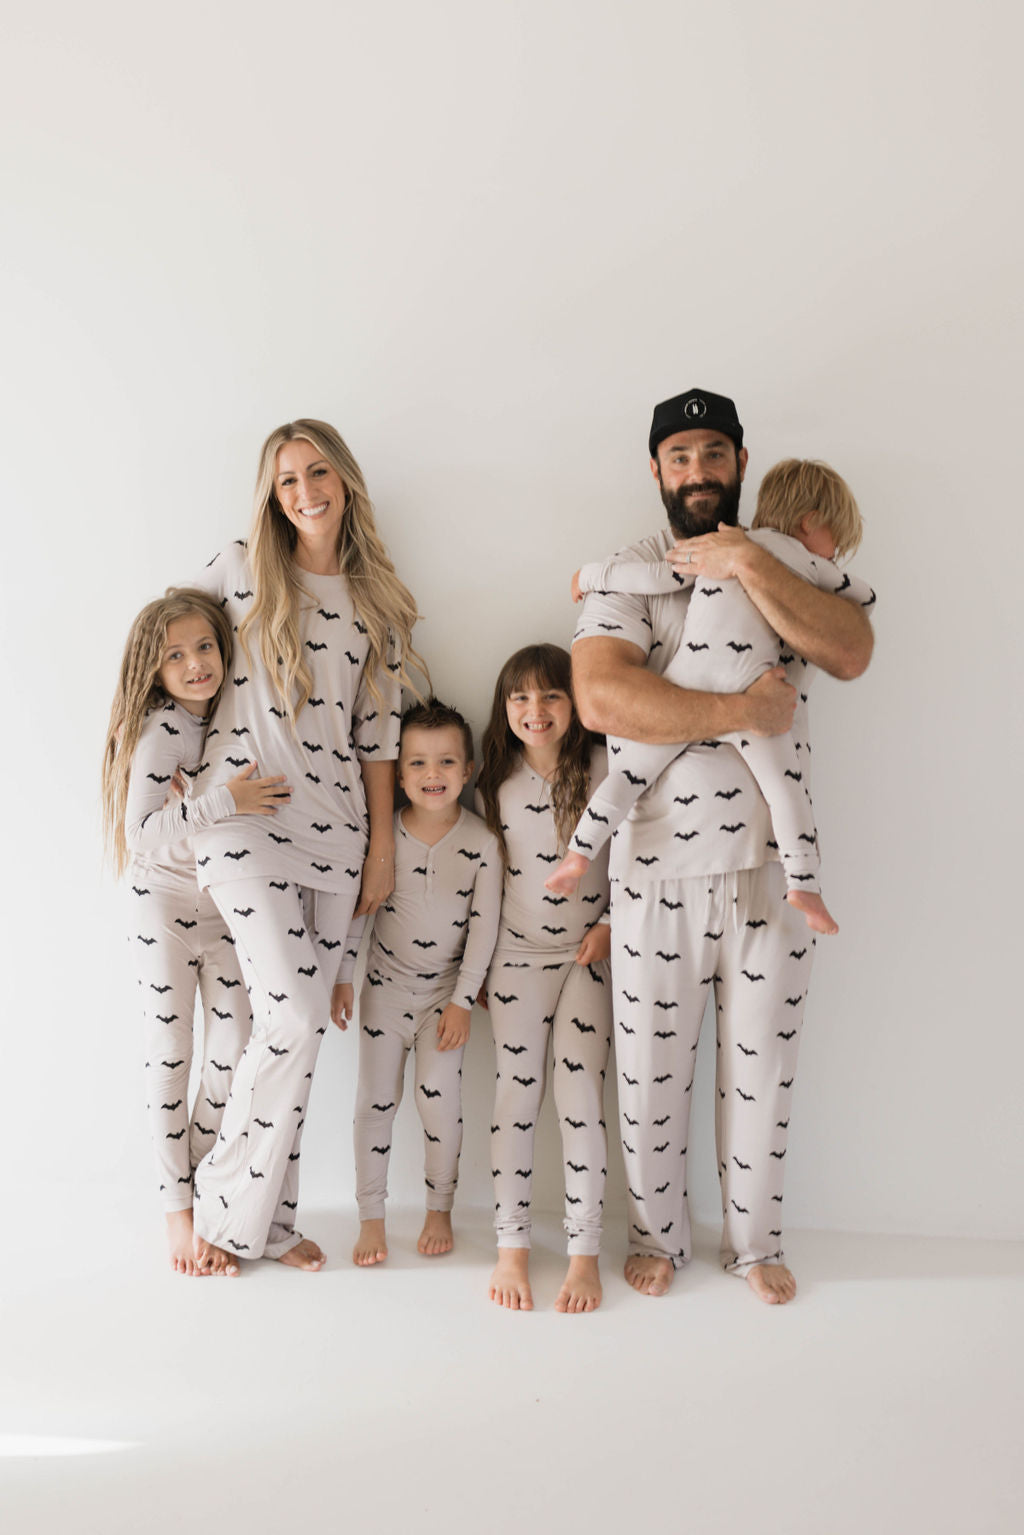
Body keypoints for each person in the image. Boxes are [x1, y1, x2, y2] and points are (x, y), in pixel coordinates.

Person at [572, 389, 874, 1305]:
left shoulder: (780, 564)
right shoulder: (637, 569)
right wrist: (743, 711)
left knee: (763, 1072)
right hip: (656, 873)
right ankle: (657, 1239)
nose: (697, 471)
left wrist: (749, 557)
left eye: (713, 453)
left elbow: (852, 646)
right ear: (658, 472)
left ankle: (755, 1245)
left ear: (740, 463)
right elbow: (604, 701)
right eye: (680, 456)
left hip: (769, 873)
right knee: (649, 1075)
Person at [188, 419, 425, 1274]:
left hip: (338, 837)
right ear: (271, 494)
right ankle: (218, 1208)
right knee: (285, 1012)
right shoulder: (242, 568)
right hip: (246, 824)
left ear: (345, 480)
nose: (304, 492)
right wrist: (178, 778)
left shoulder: (378, 600)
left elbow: (379, 736)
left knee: (301, 1036)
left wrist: (382, 854)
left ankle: (271, 1224)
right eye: (286, 480)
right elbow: (164, 651)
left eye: (316, 472)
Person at [548, 458, 876, 936]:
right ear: (810, 523)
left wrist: (592, 576)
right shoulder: (804, 563)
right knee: (785, 790)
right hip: (751, 693)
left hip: (688, 679)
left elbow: (659, 579)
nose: (834, 555)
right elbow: (862, 596)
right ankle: (804, 885)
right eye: (836, 542)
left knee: (631, 773)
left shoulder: (720, 547)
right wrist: (829, 578)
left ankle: (578, 854)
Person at [102, 588, 289, 1274]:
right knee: (171, 1055)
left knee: (238, 1045)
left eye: (204, 646)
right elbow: (142, 837)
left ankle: (202, 1177)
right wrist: (226, 801)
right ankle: (180, 1215)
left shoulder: (227, 712)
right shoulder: (160, 732)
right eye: (175, 655)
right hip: (164, 907)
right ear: (154, 669)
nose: (194, 664)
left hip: (219, 908)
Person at [475, 645, 613, 1313]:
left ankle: (585, 1253)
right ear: (506, 709)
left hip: (589, 957)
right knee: (516, 1095)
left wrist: (612, 921)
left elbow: (641, 852)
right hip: (516, 958)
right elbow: (483, 880)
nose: (536, 710)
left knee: (581, 1091)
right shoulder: (493, 781)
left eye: (552, 695)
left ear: (575, 702)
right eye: (521, 698)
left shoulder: (603, 768)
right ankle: (513, 1247)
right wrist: (474, 967)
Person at [351, 699, 502, 1266]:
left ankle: (440, 1209)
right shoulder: (382, 835)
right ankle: (371, 1217)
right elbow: (357, 912)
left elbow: (485, 929)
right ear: (399, 772)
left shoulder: (482, 843)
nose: (431, 775)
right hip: (384, 992)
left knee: (439, 1106)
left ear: (467, 772)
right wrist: (345, 981)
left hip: (444, 996)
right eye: (416, 764)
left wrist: (464, 1000)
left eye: (444, 763)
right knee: (375, 1103)